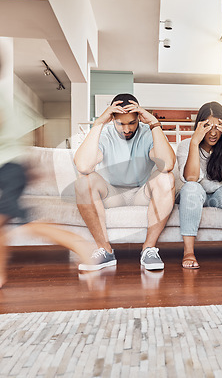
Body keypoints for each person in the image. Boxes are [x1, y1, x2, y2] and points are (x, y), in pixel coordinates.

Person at [0, 39, 95, 289]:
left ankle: (75, 243)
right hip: (11, 169)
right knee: (1, 222)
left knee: (18, 222)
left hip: (8, 169)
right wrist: (26, 170)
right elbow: (9, 135)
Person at [74, 94, 176, 271]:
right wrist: (99, 123)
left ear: (139, 119)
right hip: (112, 194)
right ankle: (105, 251)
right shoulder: (105, 133)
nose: (127, 129)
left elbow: (167, 164)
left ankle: (149, 250)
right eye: (121, 123)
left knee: (167, 178)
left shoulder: (147, 132)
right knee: (83, 181)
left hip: (140, 194)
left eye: (132, 123)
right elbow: (83, 166)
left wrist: (154, 123)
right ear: (112, 119)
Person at [176, 101, 222, 269]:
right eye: (208, 127)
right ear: (199, 126)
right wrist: (194, 142)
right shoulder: (186, 145)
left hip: (218, 196)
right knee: (191, 187)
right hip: (194, 195)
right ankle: (188, 252)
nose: (213, 133)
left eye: (218, 127)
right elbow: (191, 177)